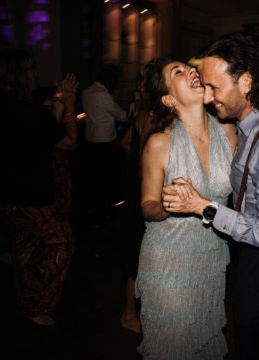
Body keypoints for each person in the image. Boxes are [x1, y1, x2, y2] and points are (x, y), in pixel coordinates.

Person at [162, 32, 259, 360]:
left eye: (215, 87)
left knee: (253, 342)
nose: (207, 97)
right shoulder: (255, 117)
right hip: (254, 250)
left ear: (246, 81)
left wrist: (203, 206)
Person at [135, 57, 237, 358]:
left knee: (203, 340)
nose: (191, 71)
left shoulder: (229, 131)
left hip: (210, 259)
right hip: (168, 262)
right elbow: (147, 206)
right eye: (177, 72)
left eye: (189, 67)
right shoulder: (159, 143)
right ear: (168, 98)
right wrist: (169, 207)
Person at [0, 49, 79, 326]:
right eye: (31, 69)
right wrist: (70, 104)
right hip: (28, 195)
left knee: (26, 247)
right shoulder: (29, 112)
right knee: (62, 241)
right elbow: (70, 141)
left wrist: (58, 106)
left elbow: (44, 130)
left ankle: (29, 305)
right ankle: (39, 303)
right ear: (19, 75)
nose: (36, 74)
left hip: (5, 193)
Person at [116, 74, 152, 334]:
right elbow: (142, 162)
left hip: (134, 195)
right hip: (142, 197)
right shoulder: (151, 117)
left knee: (137, 257)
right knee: (138, 260)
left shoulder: (144, 113)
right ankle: (129, 314)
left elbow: (125, 142)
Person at [81, 64, 127, 218]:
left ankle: (95, 211)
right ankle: (106, 213)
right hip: (105, 142)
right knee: (107, 180)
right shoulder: (103, 94)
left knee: (95, 178)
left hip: (90, 139)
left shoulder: (87, 92)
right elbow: (120, 115)